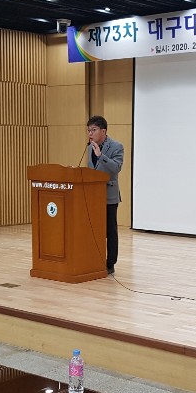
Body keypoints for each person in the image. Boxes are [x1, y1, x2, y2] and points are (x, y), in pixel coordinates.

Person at [86, 115, 124, 275]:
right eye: (88, 130)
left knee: (110, 231)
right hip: (93, 197)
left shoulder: (116, 146)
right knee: (94, 229)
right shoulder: (89, 148)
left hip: (109, 196)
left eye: (93, 130)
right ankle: (95, 259)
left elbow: (116, 168)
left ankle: (110, 263)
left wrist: (101, 155)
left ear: (103, 131)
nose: (90, 133)